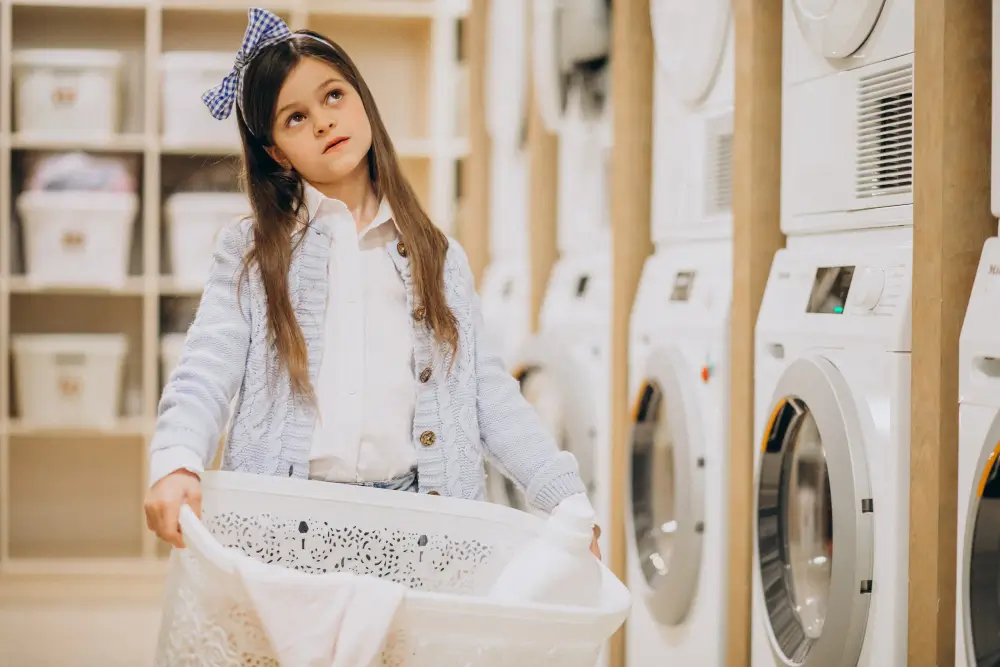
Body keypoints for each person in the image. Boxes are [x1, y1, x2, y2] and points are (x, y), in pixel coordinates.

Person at [143, 8, 601, 559]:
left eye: (333, 95)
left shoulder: (438, 255)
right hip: (286, 528)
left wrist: (565, 501)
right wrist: (176, 457)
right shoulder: (252, 253)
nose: (321, 121)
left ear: (362, 99)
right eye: (294, 118)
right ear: (276, 154)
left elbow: (490, 397)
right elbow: (206, 367)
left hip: (419, 529)